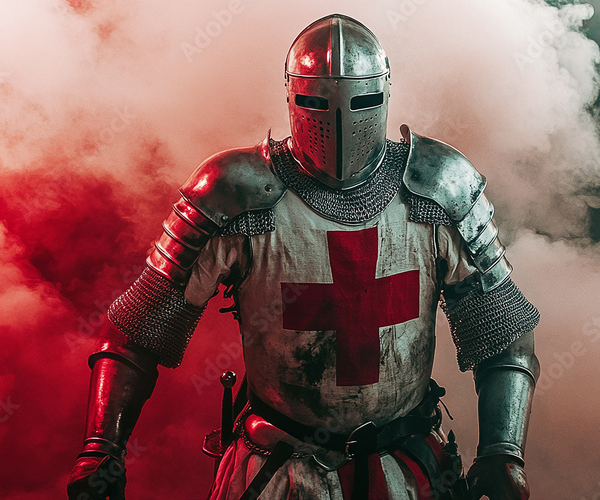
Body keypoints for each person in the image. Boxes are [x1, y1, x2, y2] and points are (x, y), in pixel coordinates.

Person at [67, 13, 541, 500]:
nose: (338, 122)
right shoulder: (236, 192)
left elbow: (504, 336)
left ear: (382, 94)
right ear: (293, 96)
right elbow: (136, 334)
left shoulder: (438, 186)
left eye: (360, 101)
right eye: (317, 102)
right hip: (277, 470)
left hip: (407, 468)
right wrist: (102, 448)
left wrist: (503, 451)